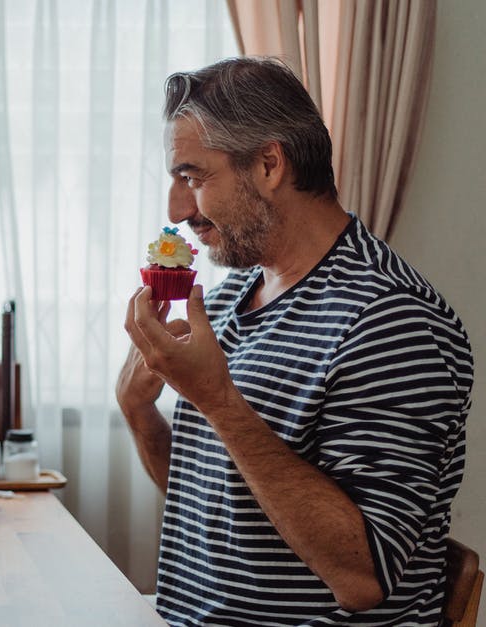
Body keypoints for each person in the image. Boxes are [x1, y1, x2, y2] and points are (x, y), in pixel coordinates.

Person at [117, 57, 473, 625]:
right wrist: (138, 410)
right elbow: (218, 507)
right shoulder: (236, 293)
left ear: (268, 164)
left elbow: (363, 578)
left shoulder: (391, 322)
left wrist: (217, 399)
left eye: (192, 176)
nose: (176, 211)